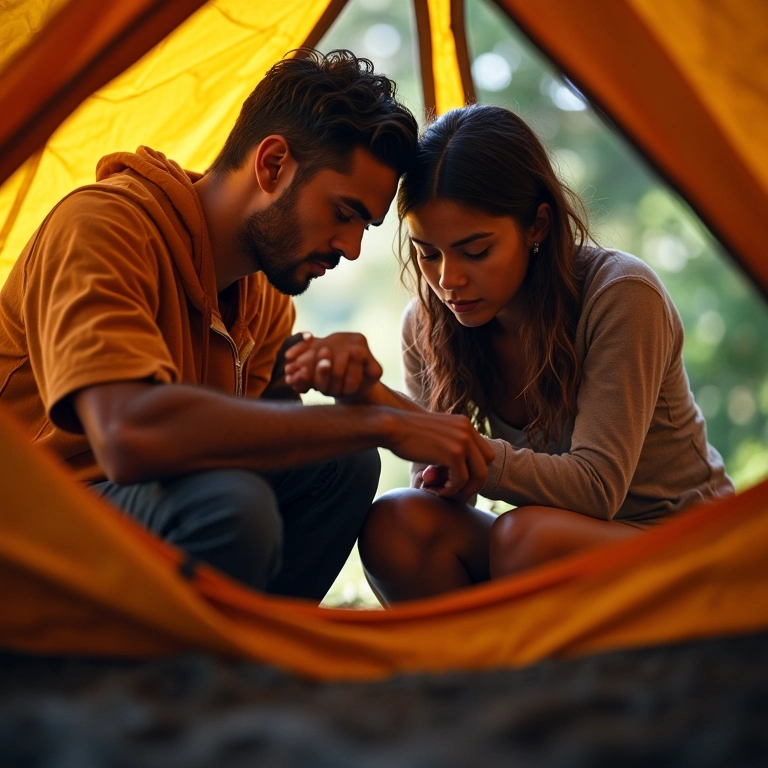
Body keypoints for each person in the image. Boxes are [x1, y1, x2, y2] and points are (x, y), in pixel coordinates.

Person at [0, 51, 495, 603]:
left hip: (130, 520)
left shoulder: (262, 297)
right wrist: (380, 425)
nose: (352, 249)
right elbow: (127, 435)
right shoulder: (104, 227)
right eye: (343, 212)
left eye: (365, 226)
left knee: (342, 466)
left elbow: (274, 437)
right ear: (273, 164)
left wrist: (356, 396)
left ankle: (251, 666)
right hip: (29, 528)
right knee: (230, 504)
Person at [283, 103, 735, 604]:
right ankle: (474, 676)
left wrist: (440, 439)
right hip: (553, 548)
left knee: (525, 540)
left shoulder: (621, 294)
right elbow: (441, 491)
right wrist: (436, 469)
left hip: (681, 546)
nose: (448, 280)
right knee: (399, 523)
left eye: (475, 251)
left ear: (537, 225)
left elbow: (597, 489)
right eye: (428, 253)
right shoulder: (429, 323)